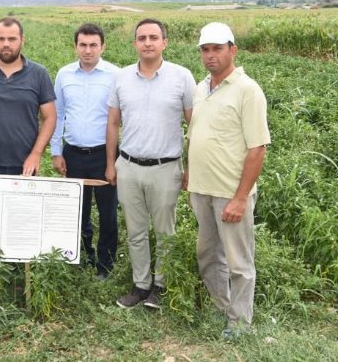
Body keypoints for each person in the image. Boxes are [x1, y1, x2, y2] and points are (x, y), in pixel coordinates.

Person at [187, 22, 270, 340]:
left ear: (232, 50)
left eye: (217, 49)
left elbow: (257, 149)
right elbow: (196, 134)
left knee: (239, 262)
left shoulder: (248, 90)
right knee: (208, 255)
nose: (210, 56)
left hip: (230, 193)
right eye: (205, 50)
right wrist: (190, 173)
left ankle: (240, 321)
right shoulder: (201, 87)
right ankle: (222, 307)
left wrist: (240, 197)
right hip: (202, 190)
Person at [106, 18, 196, 310]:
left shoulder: (182, 78)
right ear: (134, 44)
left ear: (164, 43)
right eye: (142, 38)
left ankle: (161, 285)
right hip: (129, 166)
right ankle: (140, 284)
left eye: (153, 37)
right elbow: (113, 122)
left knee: (164, 231)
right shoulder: (121, 77)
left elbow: (195, 125)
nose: (147, 42)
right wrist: (112, 163)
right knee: (135, 230)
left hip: (165, 167)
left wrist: (190, 169)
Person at [50, 23, 119, 280]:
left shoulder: (115, 75)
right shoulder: (64, 74)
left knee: (108, 212)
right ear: (75, 46)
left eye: (93, 45)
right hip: (73, 153)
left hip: (105, 154)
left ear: (102, 46)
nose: (88, 50)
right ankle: (81, 254)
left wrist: (114, 160)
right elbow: (56, 114)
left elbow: (120, 117)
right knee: (77, 210)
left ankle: (105, 263)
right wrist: (56, 152)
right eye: (83, 45)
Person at [0, 16, 57, 175]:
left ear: (22, 40)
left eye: (12, 39)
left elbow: (50, 117)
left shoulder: (39, 73)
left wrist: (36, 154)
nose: (6, 44)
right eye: (1, 39)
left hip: (25, 165)